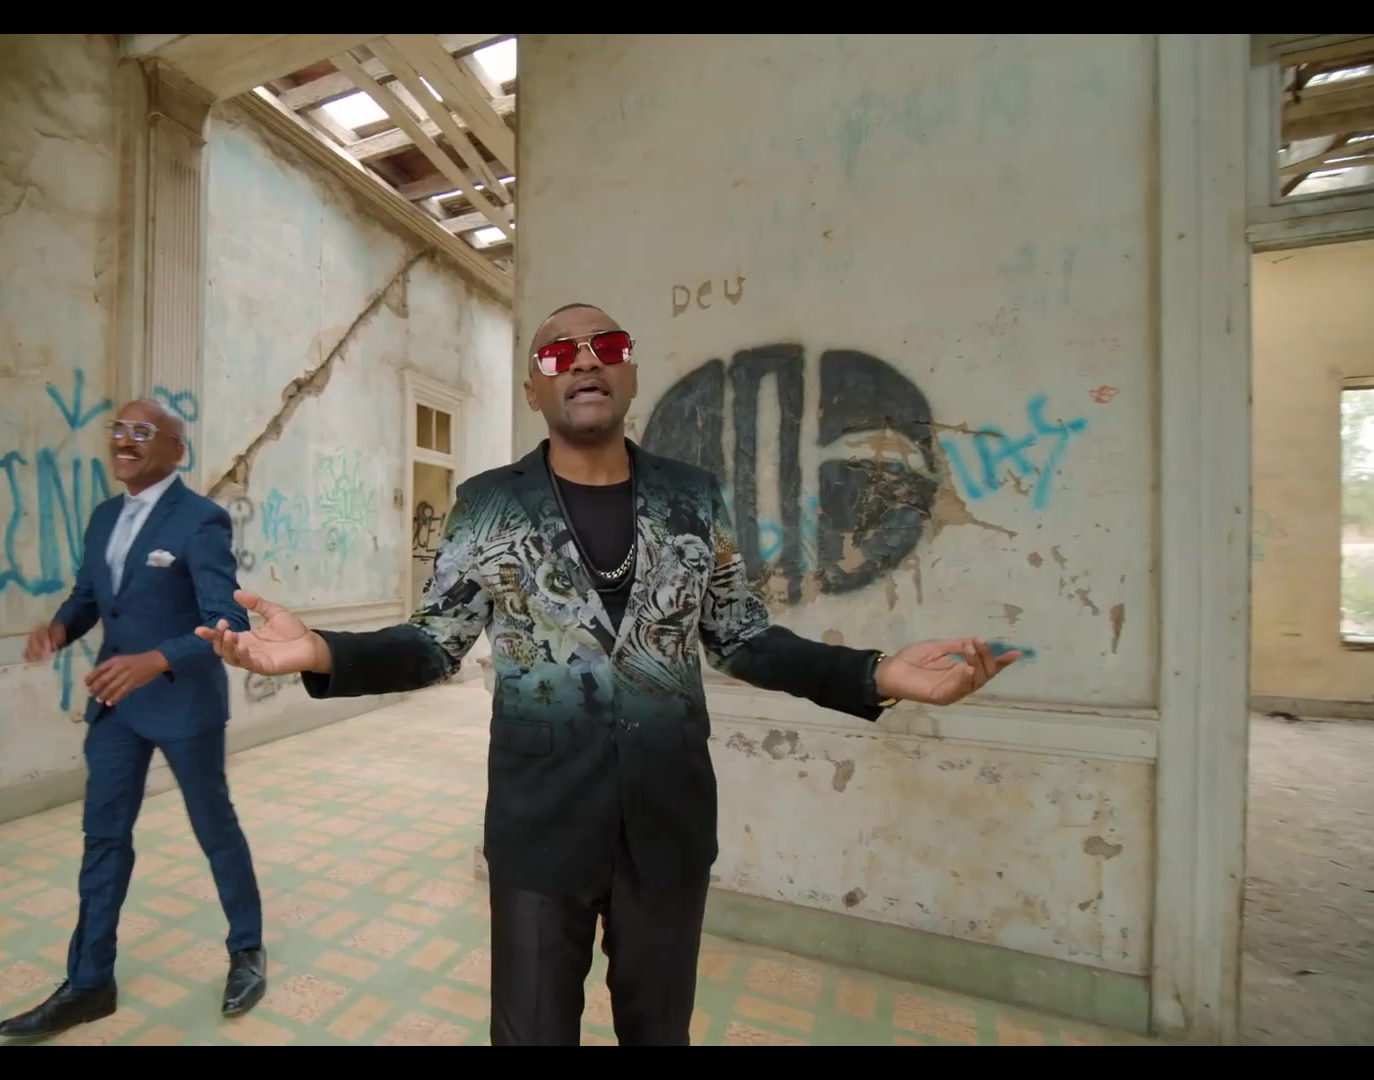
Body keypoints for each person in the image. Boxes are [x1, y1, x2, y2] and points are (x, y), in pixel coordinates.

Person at [195, 302, 1023, 1046]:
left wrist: (877, 673)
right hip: (539, 826)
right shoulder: (487, 504)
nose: (585, 361)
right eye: (559, 353)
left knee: (658, 1033)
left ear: (629, 374)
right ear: (533, 390)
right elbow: (433, 643)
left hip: (667, 821)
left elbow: (743, 638)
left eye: (606, 347)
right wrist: (322, 651)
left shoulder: (694, 498)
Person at [0, 397, 266, 1038]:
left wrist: (158, 659)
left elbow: (228, 620)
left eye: (143, 431)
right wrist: (60, 628)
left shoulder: (200, 520)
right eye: (118, 428)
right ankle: (90, 982)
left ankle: (247, 949)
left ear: (176, 450)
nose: (125, 439)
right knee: (104, 837)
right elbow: (90, 597)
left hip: (184, 704)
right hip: (116, 706)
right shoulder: (103, 518)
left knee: (214, 829)